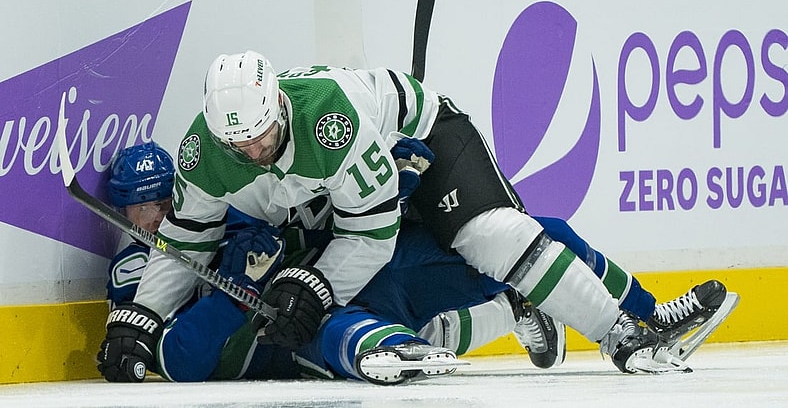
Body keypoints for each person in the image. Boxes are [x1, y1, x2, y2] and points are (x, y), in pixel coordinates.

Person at [104, 51, 730, 382]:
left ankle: (633, 330)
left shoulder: (332, 121)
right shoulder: (205, 156)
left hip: (423, 134)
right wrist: (142, 314)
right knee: (411, 292)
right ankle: (541, 312)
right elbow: (185, 241)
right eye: (240, 146)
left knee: (492, 237)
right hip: (352, 198)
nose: (255, 153)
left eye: (263, 136)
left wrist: (315, 285)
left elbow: (368, 236)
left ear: (278, 108)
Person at [105, 142, 175, 308]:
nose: (157, 217)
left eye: (163, 205)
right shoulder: (132, 263)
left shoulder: (200, 238)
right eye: (143, 209)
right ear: (124, 213)